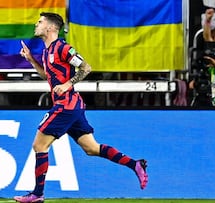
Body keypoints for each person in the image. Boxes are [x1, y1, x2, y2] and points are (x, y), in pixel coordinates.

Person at [13, 12, 148, 203]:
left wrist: (68, 84)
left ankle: (37, 194)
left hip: (65, 105)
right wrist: (31, 60)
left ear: (51, 27)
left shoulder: (63, 48)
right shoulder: (46, 52)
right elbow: (47, 76)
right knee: (92, 148)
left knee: (39, 145)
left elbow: (86, 67)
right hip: (73, 106)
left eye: (40, 22)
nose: (36, 24)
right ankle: (135, 164)